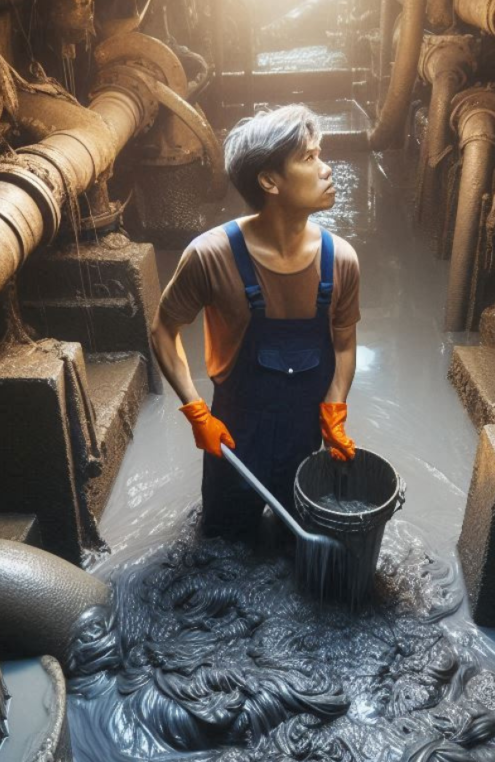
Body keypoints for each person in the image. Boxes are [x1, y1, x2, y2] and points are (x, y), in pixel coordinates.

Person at [150, 104, 361, 538]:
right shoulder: (210, 256)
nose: (326, 169)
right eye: (308, 158)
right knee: (225, 548)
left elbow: (343, 344)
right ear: (269, 181)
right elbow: (163, 330)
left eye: (321, 154)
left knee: (297, 548)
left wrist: (335, 408)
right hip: (233, 442)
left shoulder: (340, 260)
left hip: (305, 440)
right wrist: (196, 412)